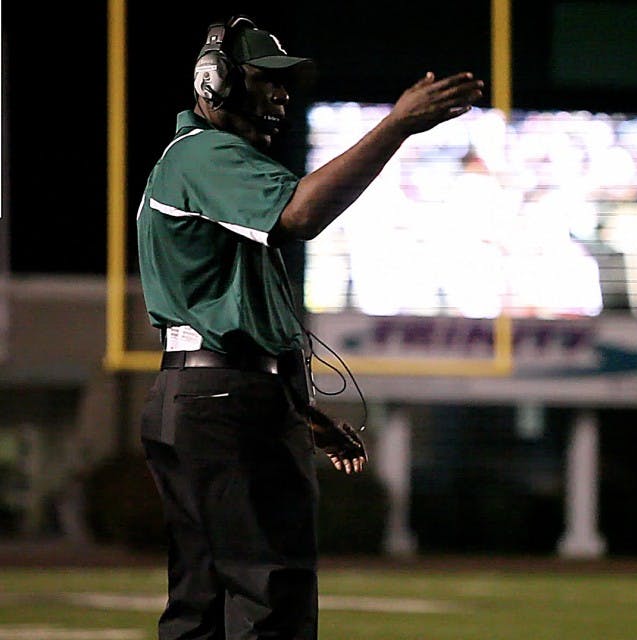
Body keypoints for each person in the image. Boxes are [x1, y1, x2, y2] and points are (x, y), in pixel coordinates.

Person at [135, 15, 483, 639]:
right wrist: (398, 124)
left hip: (207, 397)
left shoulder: (202, 166)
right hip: (221, 405)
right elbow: (302, 212)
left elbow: (240, 325)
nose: (281, 94)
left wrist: (303, 414)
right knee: (272, 600)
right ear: (215, 82)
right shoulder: (204, 153)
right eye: (267, 79)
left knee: (204, 606)